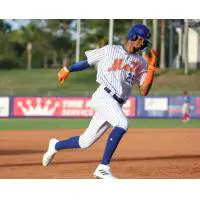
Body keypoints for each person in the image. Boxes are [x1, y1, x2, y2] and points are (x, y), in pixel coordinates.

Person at [42, 23, 157, 179]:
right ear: (133, 37)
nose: (144, 43)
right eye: (143, 40)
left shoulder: (141, 63)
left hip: (116, 103)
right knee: (122, 124)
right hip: (104, 95)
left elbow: (144, 91)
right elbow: (87, 62)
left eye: (146, 41)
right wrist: (68, 69)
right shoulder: (110, 50)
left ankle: (55, 145)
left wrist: (151, 68)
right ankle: (103, 167)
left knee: (85, 142)